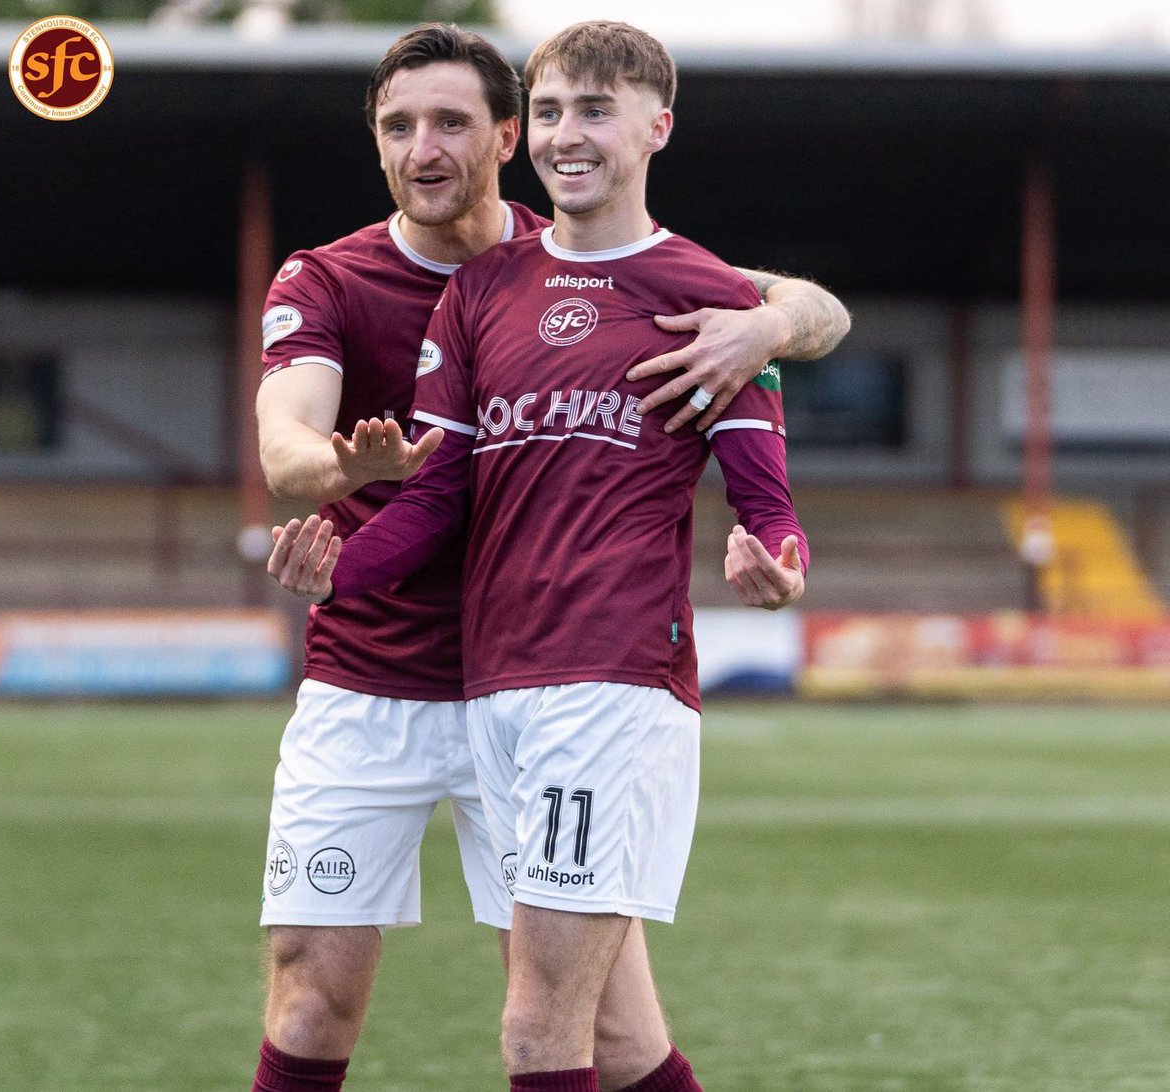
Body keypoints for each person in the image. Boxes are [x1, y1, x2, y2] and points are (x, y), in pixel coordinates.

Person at [254, 22, 845, 1092]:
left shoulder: (634, 269)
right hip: (386, 675)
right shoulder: (360, 282)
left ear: (501, 137)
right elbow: (328, 458)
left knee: (575, 1033)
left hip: (581, 680)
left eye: (450, 123)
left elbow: (798, 337)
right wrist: (336, 498)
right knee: (313, 989)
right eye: (397, 126)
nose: (422, 148)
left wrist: (769, 325)